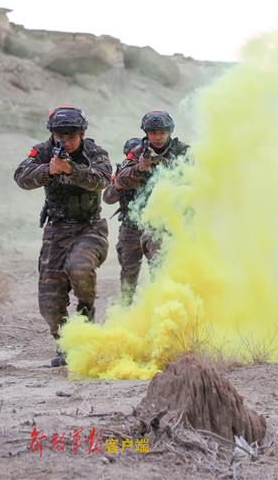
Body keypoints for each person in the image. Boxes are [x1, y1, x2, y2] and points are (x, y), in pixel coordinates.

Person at [14, 106, 112, 367]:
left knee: (79, 268)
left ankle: (86, 313)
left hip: (90, 227)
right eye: (60, 137)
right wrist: (49, 169)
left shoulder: (95, 152)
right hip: (56, 230)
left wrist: (71, 171)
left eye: (71, 138)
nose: (65, 143)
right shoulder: (43, 151)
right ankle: (66, 344)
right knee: (49, 299)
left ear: (82, 135)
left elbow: (103, 180)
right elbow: (21, 177)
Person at [115, 110, 189, 262]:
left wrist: (159, 161)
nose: (158, 137)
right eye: (153, 132)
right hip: (154, 220)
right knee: (159, 260)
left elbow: (189, 174)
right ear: (146, 133)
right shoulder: (137, 152)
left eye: (163, 132)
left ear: (170, 132)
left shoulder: (182, 149)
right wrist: (140, 168)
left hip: (181, 216)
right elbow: (120, 181)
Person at [102, 137, 144, 305]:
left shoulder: (157, 170)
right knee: (128, 271)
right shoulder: (122, 173)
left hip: (155, 226)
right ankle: (126, 305)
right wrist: (120, 184)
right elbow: (108, 198)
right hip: (130, 228)